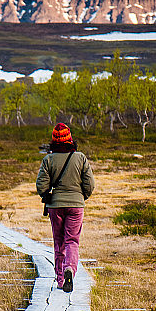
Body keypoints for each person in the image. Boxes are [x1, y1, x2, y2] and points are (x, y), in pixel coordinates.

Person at [36, 123, 95, 293]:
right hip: (76, 205)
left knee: (59, 242)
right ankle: (70, 268)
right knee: (72, 241)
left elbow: (41, 185)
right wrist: (81, 197)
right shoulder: (80, 158)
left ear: (54, 140)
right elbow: (90, 184)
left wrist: (47, 195)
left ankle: (61, 279)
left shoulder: (48, 160)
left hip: (55, 206)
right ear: (70, 138)